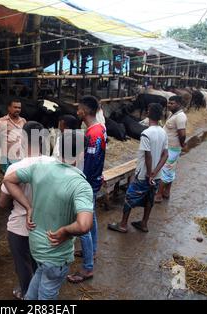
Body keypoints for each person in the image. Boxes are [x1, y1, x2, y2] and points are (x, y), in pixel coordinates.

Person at [3, 130, 94, 300]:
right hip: (56, 255)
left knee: (37, 282)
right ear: (81, 154)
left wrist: (28, 207)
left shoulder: (39, 168)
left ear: (58, 147)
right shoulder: (81, 185)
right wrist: (65, 231)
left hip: (36, 246)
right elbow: (84, 225)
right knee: (47, 295)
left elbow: (8, 179)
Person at [0, 121, 57, 300]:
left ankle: (27, 294)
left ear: (23, 139)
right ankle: (39, 293)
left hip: (19, 226)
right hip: (47, 225)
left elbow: (2, 203)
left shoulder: (15, 168)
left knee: (23, 265)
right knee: (39, 263)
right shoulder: (55, 164)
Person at [108, 103, 168, 233]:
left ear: (148, 113)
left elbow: (148, 155)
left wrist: (149, 173)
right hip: (157, 175)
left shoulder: (146, 133)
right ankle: (144, 223)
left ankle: (123, 224)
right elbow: (165, 155)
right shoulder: (163, 132)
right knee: (150, 198)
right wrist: (155, 172)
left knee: (130, 196)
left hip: (144, 174)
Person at [67, 95, 106, 284]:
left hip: (88, 183)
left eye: (79, 109)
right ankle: (93, 251)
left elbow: (91, 164)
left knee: (83, 226)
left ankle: (88, 267)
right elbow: (97, 159)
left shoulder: (93, 134)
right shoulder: (99, 129)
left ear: (86, 111)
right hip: (94, 181)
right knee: (92, 218)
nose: (77, 112)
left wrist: (82, 182)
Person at [155, 95, 187, 203]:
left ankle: (158, 194)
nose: (169, 105)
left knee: (165, 170)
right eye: (169, 103)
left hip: (172, 148)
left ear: (178, 104)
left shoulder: (180, 117)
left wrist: (182, 144)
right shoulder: (172, 114)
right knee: (170, 169)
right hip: (168, 147)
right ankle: (167, 192)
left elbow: (182, 134)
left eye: (172, 103)